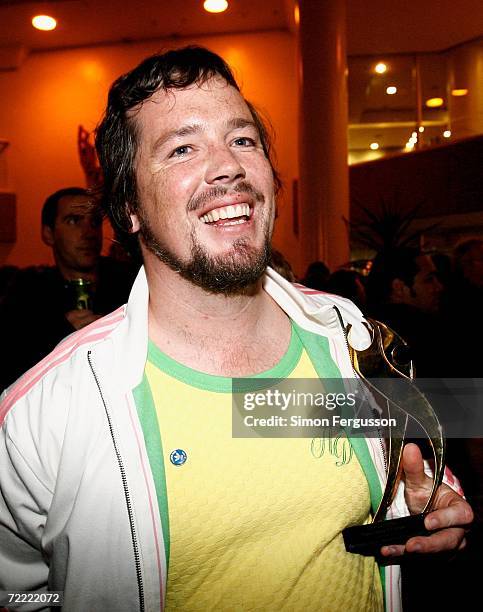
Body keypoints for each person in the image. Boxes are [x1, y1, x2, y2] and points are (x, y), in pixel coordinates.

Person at [0, 47, 472, 611]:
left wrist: (420, 507)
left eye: (243, 139)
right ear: (128, 207)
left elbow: (374, 480)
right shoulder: (45, 410)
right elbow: (17, 589)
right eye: (182, 148)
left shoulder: (344, 334)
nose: (229, 166)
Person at [0, 187, 137, 389]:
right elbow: (10, 368)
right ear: (49, 234)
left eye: (95, 222)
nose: (89, 232)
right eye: (73, 221)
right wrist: (62, 335)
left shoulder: (130, 282)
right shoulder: (28, 292)